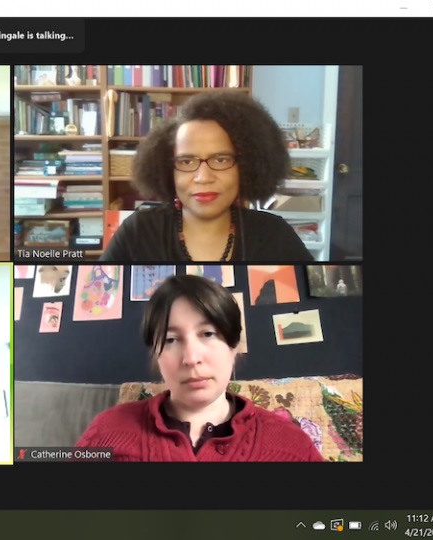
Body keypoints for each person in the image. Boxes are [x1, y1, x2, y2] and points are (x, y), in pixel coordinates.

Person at [75, 274, 323, 462]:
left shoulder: (291, 445)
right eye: (171, 340)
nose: (191, 358)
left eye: (208, 334)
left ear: (233, 346)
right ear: (156, 353)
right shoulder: (108, 429)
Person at [99, 91, 314, 262]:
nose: (203, 177)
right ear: (167, 170)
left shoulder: (274, 236)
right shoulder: (138, 233)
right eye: (186, 162)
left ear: (247, 166)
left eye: (221, 159)